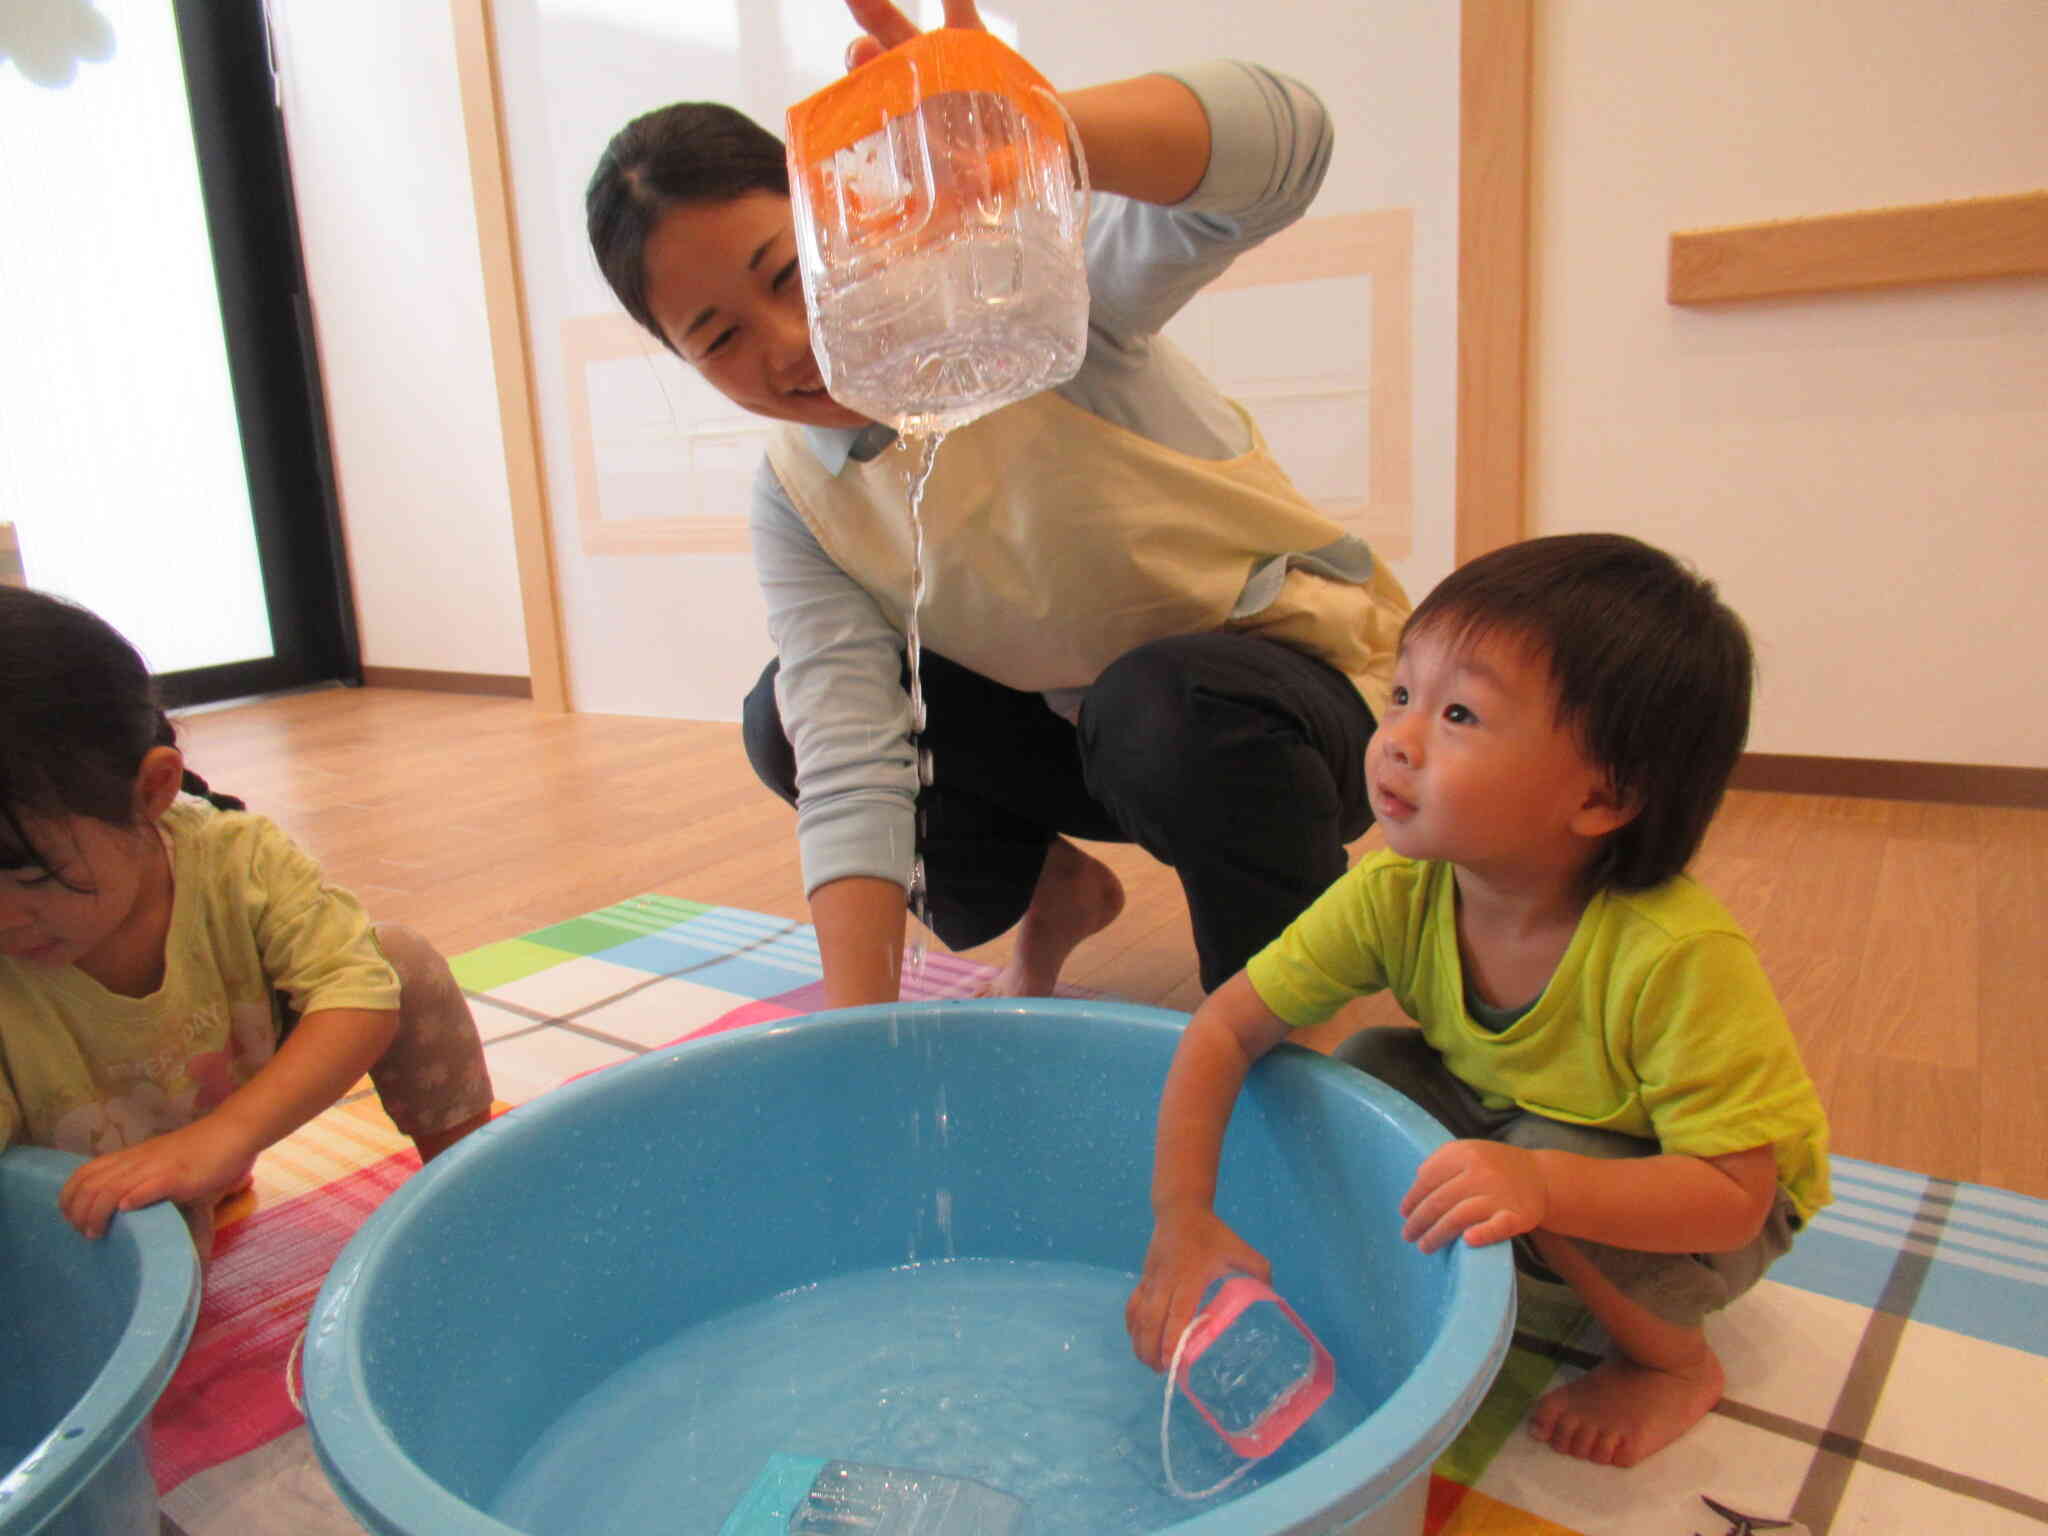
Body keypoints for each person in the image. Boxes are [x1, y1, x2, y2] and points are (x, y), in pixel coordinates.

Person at [585, 0, 1410, 1008]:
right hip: (1090, 732)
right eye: (716, 338)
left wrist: (1046, 134)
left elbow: (1285, 149)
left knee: (1165, 703)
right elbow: (849, 757)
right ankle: (1056, 893)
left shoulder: (1020, 298)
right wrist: (859, 1039)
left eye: (787, 273)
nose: (786, 342)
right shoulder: (798, 495)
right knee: (788, 716)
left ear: (828, 217)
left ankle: (1280, 1020)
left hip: (1291, 705)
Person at [1124, 533, 1832, 1469]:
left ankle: (1670, 1365)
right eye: (1403, 695)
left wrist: (1539, 1186)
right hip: (1519, 1130)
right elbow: (1224, 1028)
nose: (1398, 741)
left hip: (1697, 1202)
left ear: (1604, 795)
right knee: (1369, 1068)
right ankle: (1447, 1260)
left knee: (1549, 1150)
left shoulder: (1672, 955)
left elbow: (1734, 1199)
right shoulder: (1397, 892)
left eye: (1458, 714)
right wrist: (1182, 1218)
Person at [0, 586, 495, 1260]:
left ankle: (471, 1184)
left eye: (30, 876)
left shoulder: (235, 857)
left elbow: (358, 994)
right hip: (87, 1200)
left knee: (398, 961)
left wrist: (225, 1137)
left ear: (151, 791)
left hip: (220, 1125)